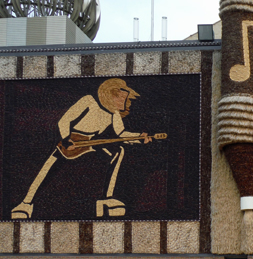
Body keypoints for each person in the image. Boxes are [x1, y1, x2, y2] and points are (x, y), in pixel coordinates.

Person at [11, 78, 152, 219]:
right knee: (48, 168)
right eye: (120, 97)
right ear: (109, 94)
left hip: (90, 144)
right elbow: (65, 120)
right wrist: (66, 139)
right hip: (72, 142)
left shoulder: (113, 114)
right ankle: (25, 204)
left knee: (118, 152)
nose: (123, 101)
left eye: (125, 98)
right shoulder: (89, 101)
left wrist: (139, 137)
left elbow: (121, 134)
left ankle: (107, 198)